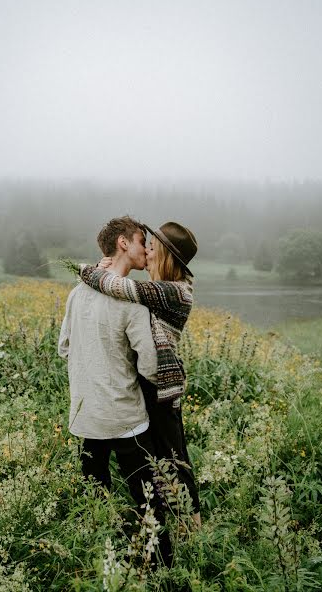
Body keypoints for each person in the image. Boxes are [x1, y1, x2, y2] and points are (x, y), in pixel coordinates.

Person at [58, 216, 172, 565]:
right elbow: (151, 368)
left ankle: (97, 565)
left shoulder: (77, 293)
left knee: (94, 502)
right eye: (142, 242)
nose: (147, 250)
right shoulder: (133, 304)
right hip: (126, 422)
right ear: (123, 243)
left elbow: (64, 347)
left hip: (87, 419)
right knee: (149, 506)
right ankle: (159, 572)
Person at [78, 221, 201, 529]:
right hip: (143, 383)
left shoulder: (175, 291)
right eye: (145, 244)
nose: (147, 249)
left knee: (176, 458)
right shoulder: (155, 286)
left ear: (166, 256)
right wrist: (102, 270)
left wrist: (88, 270)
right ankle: (163, 521)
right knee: (155, 460)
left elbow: (118, 286)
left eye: (153, 247)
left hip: (162, 386)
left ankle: (192, 529)